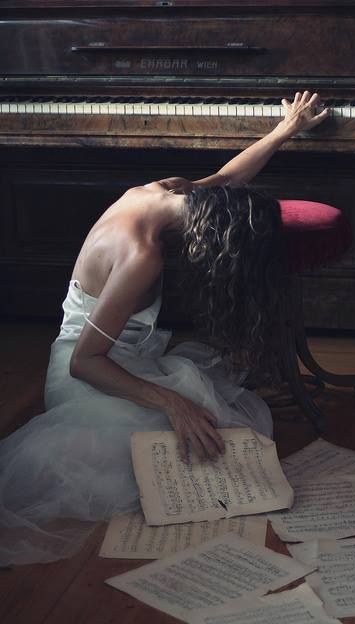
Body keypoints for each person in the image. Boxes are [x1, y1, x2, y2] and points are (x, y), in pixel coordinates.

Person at [0, 91, 328, 565]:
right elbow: (84, 361)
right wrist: (173, 404)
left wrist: (286, 129)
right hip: (87, 376)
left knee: (214, 425)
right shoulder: (143, 256)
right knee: (201, 436)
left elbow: (226, 180)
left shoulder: (164, 194)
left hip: (124, 358)